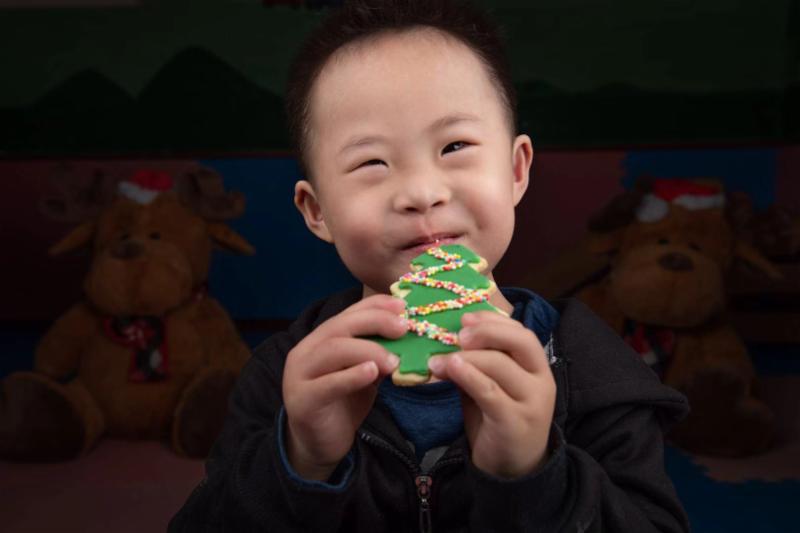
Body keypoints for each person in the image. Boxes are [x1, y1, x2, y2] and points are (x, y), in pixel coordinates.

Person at [169, 1, 690, 531]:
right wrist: (300, 460)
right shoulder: (286, 375)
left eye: (455, 145)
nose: (421, 193)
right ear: (317, 210)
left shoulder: (591, 366)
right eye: (372, 162)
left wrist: (533, 476)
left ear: (515, 170)